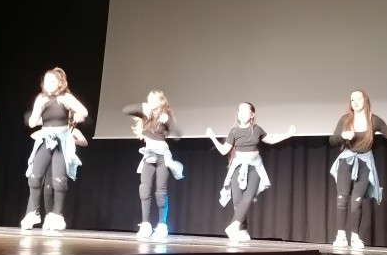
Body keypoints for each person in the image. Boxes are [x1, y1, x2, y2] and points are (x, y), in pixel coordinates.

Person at [206, 102, 295, 242]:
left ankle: (234, 226)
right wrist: (212, 137)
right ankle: (242, 230)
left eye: (245, 111)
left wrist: (288, 134)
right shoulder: (234, 131)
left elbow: (271, 140)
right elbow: (224, 150)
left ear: (252, 114)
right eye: (239, 111)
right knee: (237, 201)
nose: (241, 113)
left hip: (254, 167)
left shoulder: (256, 129)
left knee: (248, 196)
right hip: (238, 167)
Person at [329, 89, 387, 249]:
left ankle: (355, 237)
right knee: (342, 198)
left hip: (365, 162)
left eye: (358, 99)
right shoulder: (345, 119)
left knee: (356, 201)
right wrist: (343, 137)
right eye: (352, 100)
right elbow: (332, 140)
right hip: (347, 161)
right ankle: (341, 236)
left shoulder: (374, 120)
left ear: (365, 100)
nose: (355, 102)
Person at [22, 67, 88, 231]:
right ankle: (33, 213)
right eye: (46, 81)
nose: (49, 84)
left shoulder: (66, 97)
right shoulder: (41, 99)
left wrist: (69, 106)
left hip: (61, 141)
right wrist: (38, 108)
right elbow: (32, 123)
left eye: (53, 81)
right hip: (45, 139)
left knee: (59, 180)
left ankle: (57, 215)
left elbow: (84, 112)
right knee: (34, 177)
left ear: (60, 83)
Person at [123, 90, 184, 240]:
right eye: (148, 99)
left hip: (162, 156)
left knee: (160, 192)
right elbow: (125, 110)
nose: (150, 101)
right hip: (149, 155)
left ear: (160, 101)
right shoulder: (146, 114)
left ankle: (162, 225)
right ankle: (146, 225)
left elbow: (177, 135)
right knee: (144, 189)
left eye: (153, 99)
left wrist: (167, 121)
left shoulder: (165, 116)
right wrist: (143, 106)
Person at [31, 127, 88, 226]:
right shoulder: (52, 129)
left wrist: (71, 140)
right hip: (50, 160)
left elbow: (84, 142)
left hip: (63, 160)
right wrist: (46, 139)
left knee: (59, 184)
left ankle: (57, 214)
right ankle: (49, 216)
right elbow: (33, 135)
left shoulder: (73, 131)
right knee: (47, 189)